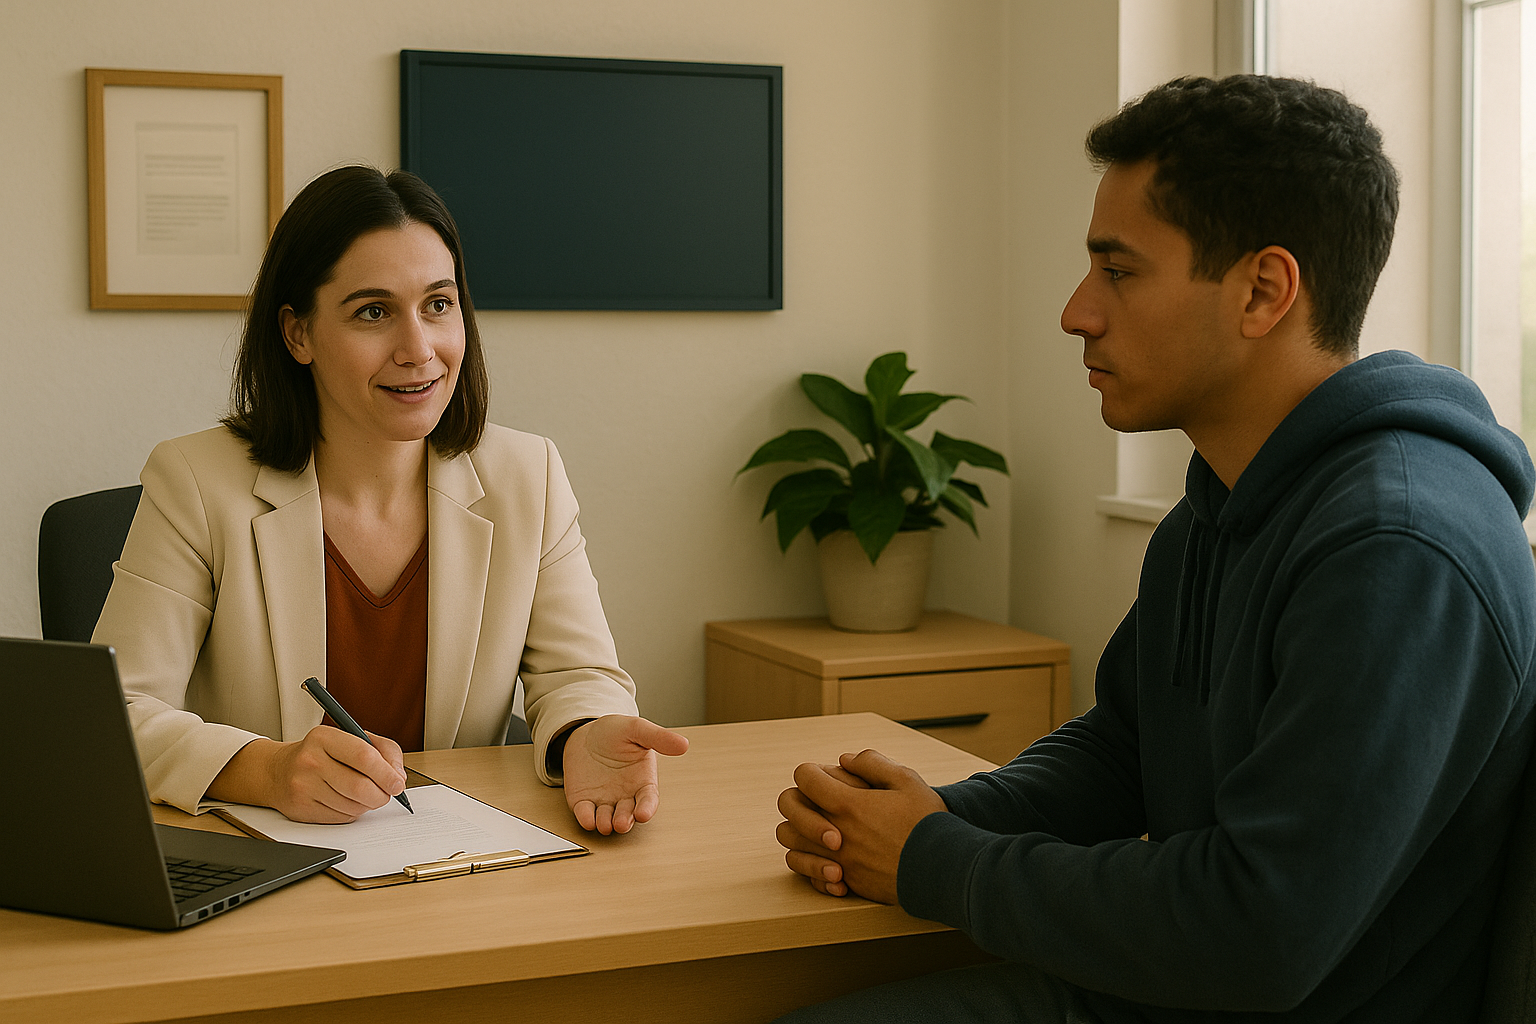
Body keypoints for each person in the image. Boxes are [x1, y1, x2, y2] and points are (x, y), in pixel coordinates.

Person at [774, 75, 1536, 1023]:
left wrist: (936, 861)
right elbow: (1127, 749)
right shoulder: (1226, 501)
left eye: (1119, 271)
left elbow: (1260, 931)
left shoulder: (1397, 547)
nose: (1076, 312)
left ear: (1264, 290)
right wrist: (926, 816)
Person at [95, 166, 687, 834]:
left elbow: (576, 670)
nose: (418, 350)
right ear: (298, 334)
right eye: (373, 312)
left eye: (438, 305)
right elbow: (115, 715)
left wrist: (584, 733)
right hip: (261, 861)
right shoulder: (198, 481)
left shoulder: (528, 475)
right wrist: (266, 770)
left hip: (454, 858)